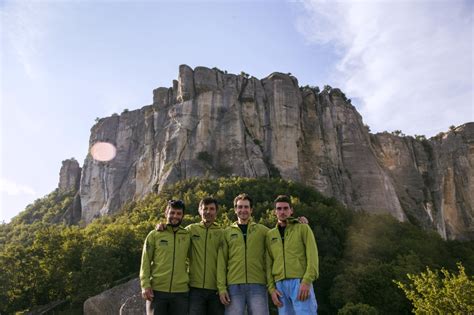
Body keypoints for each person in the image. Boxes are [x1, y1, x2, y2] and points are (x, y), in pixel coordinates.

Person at [156, 197, 224, 315]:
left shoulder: (223, 233)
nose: (208, 212)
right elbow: (175, 233)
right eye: (205, 209)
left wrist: (223, 287)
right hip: (194, 289)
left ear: (216, 211)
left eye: (211, 209)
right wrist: (163, 226)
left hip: (216, 290)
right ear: (199, 210)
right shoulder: (190, 230)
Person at [217, 193, 270, 315]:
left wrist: (298, 221)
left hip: (258, 285)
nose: (243, 210)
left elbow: (281, 230)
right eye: (240, 207)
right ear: (235, 210)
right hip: (234, 286)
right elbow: (221, 262)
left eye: (246, 207)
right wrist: (221, 288)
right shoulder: (226, 233)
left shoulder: (263, 231)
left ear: (251, 209)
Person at [266, 195, 319, 315]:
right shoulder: (270, 235)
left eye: (285, 208)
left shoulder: (303, 228)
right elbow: (268, 264)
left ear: (291, 210)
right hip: (280, 286)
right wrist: (271, 289)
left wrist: (307, 281)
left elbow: (313, 256)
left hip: (300, 282)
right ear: (275, 212)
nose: (282, 212)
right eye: (279, 209)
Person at [140, 199, 191, 315]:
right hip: (157, 292)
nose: (175, 216)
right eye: (172, 212)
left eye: (179, 213)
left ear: (183, 215)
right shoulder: (154, 235)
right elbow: (145, 261)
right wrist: (145, 285)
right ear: (166, 213)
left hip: (181, 293)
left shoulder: (188, 235)